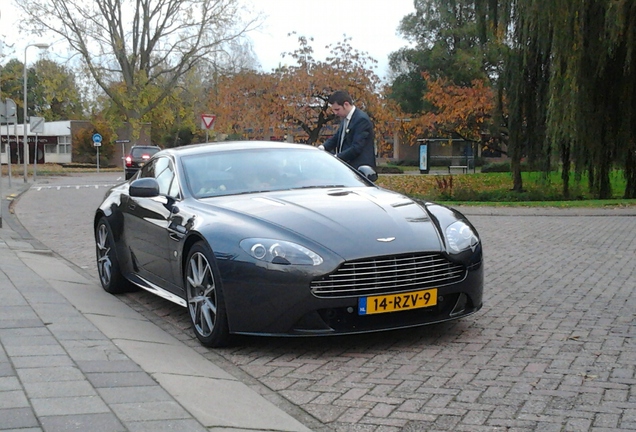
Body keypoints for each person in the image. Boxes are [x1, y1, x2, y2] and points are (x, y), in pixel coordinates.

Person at [319, 90, 376, 170]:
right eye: (334, 110)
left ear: (346, 104)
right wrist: (322, 148)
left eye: (337, 109)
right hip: (348, 169)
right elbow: (336, 138)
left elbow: (356, 148)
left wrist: (336, 158)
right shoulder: (345, 119)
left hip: (360, 170)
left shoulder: (361, 120)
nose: (335, 113)